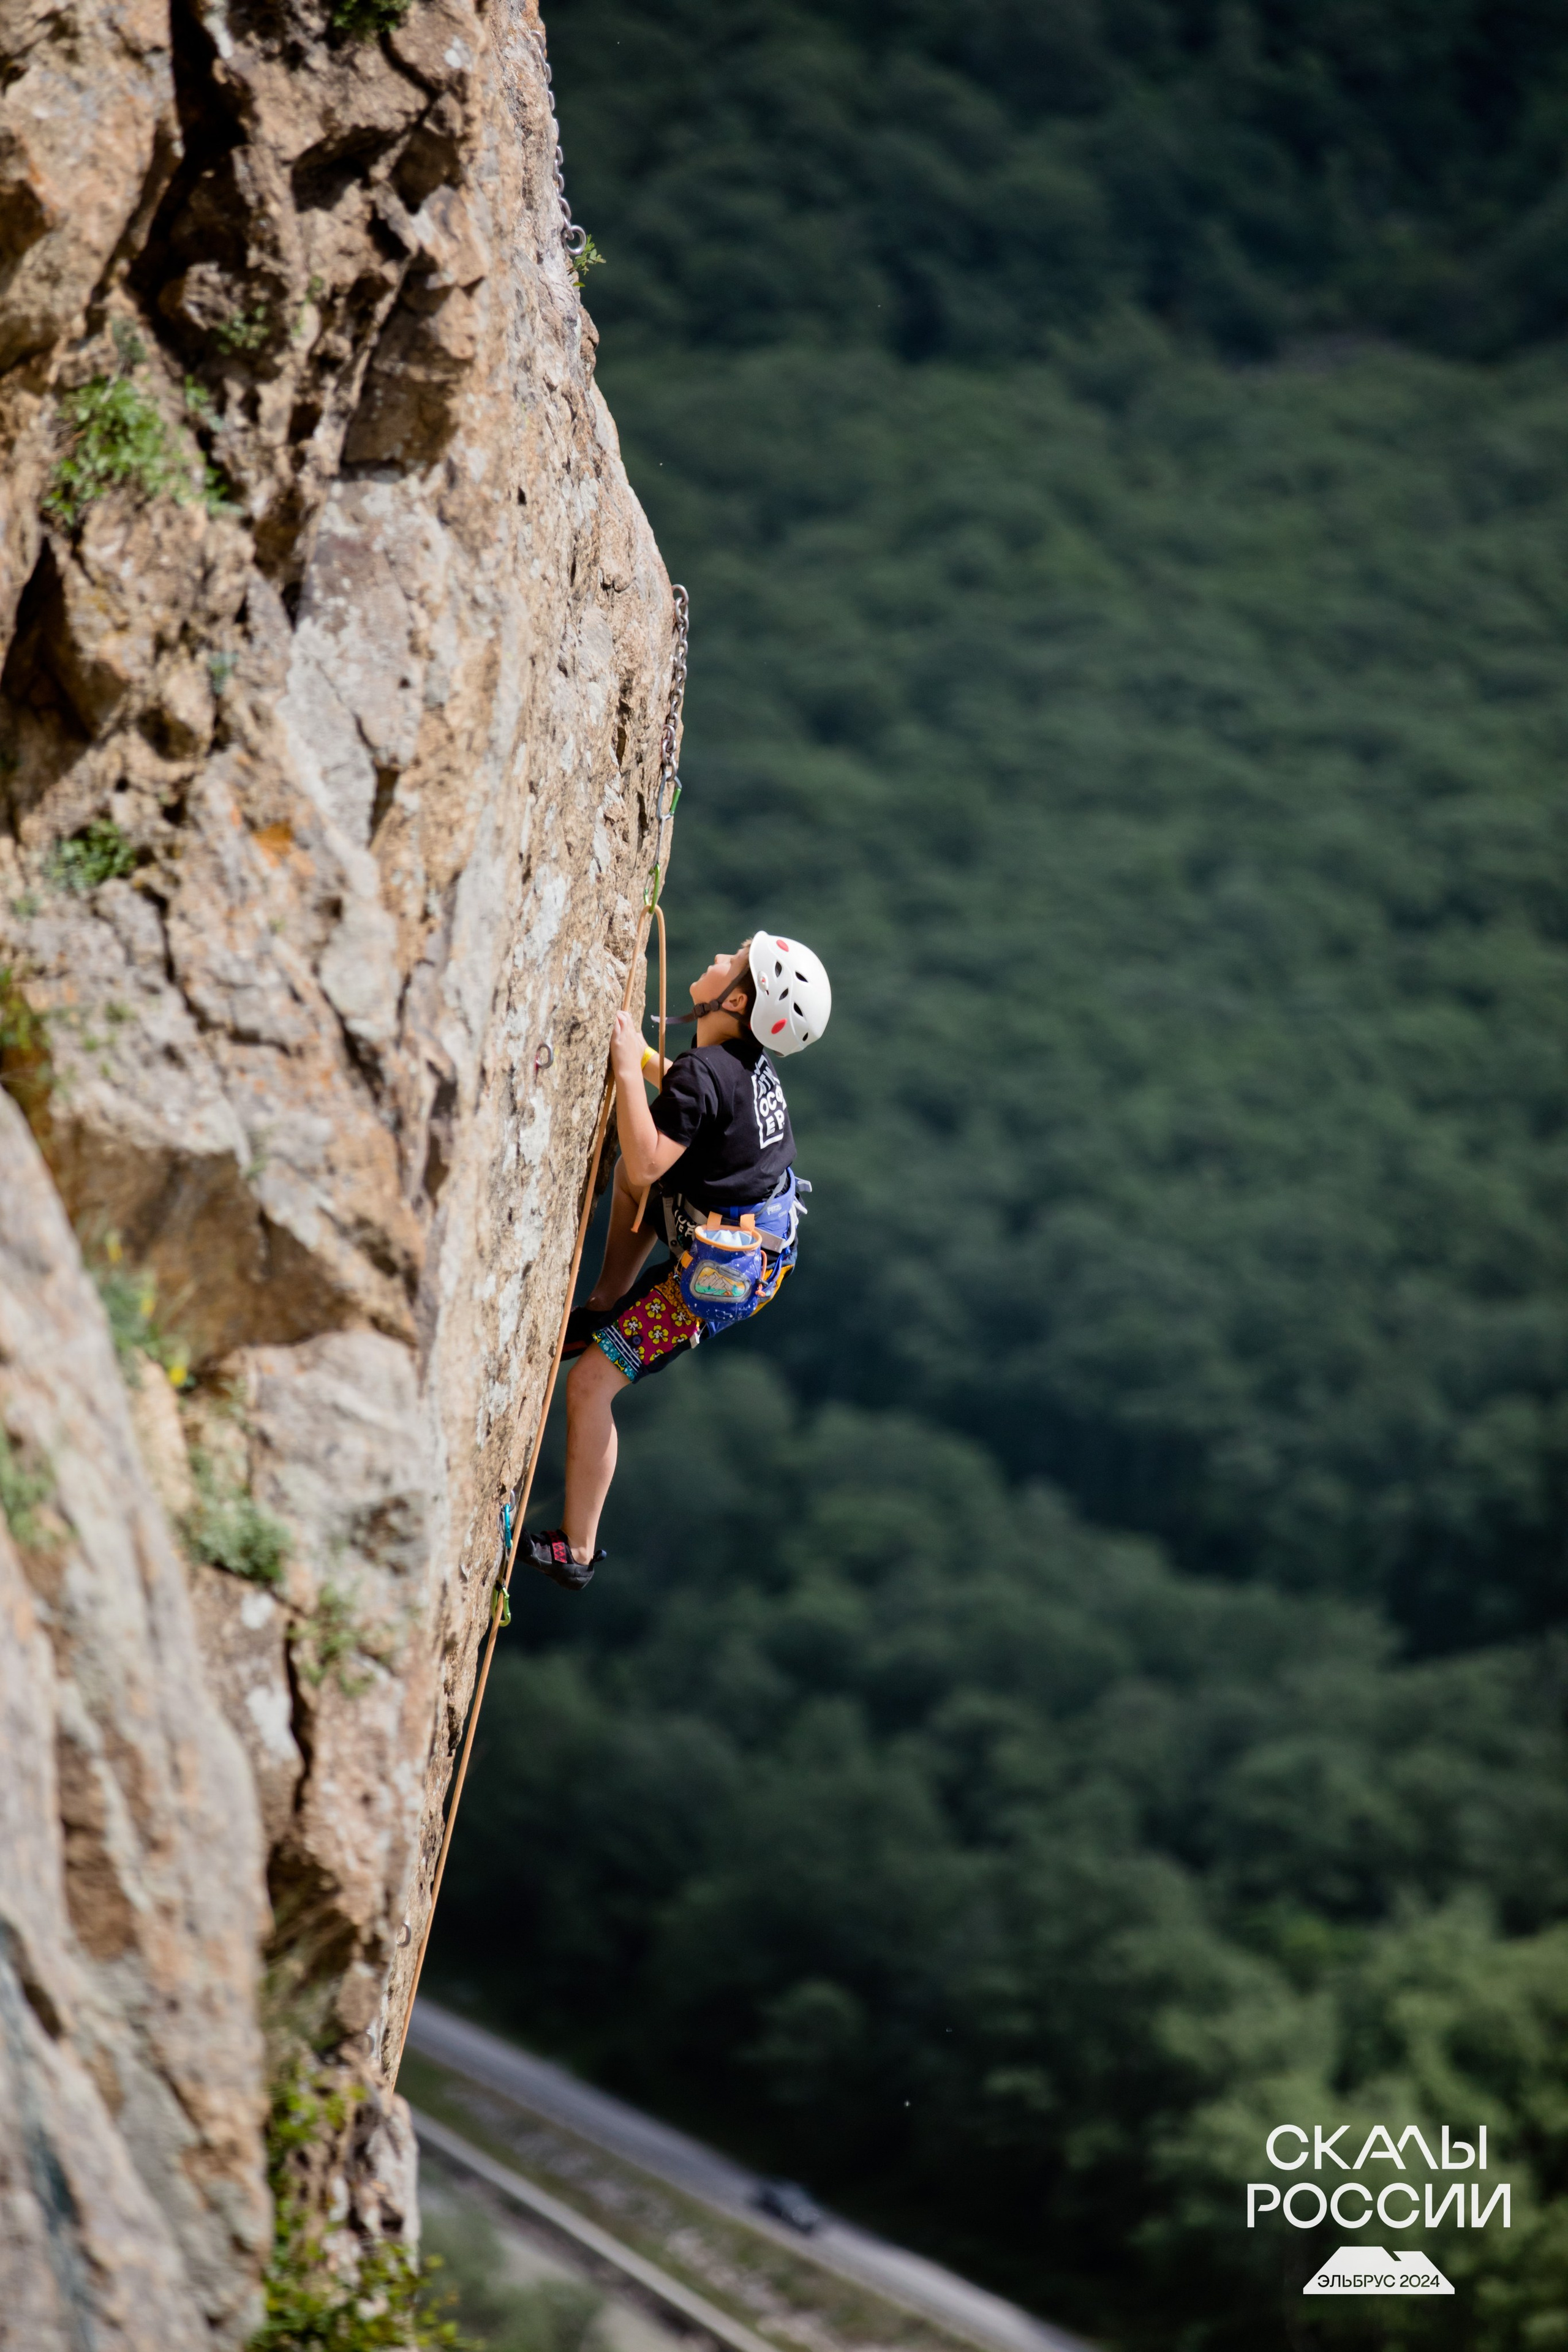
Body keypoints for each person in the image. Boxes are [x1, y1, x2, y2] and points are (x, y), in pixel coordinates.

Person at [520, 931, 831, 1591]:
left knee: (590, 1384)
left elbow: (646, 1159)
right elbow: (703, 1104)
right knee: (644, 1169)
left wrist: (628, 1068)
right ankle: (607, 1298)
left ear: (737, 998)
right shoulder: (740, 1066)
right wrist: (649, 1063)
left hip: (711, 1282)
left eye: (731, 962)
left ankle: (574, 1551)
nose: (718, 958)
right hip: (755, 1251)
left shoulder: (707, 1070)